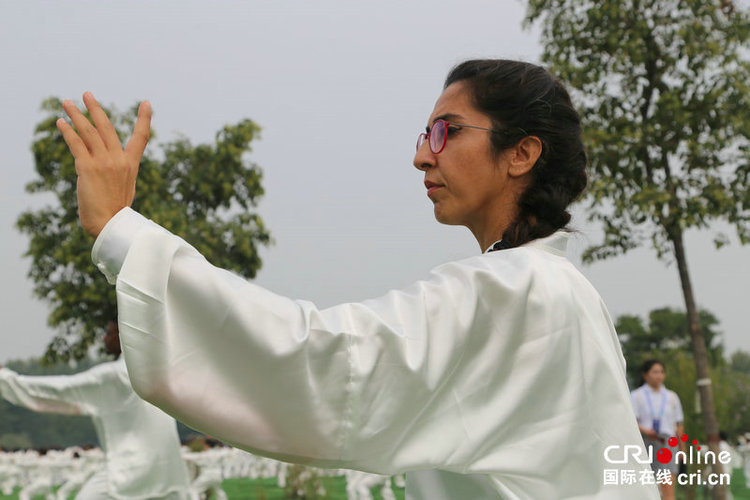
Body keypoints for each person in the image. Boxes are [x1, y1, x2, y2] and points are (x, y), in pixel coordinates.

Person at [56, 59, 659, 499]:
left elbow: (329, 366)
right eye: (425, 135)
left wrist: (120, 231)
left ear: (521, 154)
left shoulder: (522, 292)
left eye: (446, 131)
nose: (423, 155)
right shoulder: (558, 289)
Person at [0, 320, 192, 499]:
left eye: (109, 333)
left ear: (123, 335)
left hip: (129, 469)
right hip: (168, 471)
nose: (104, 338)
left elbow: (59, 390)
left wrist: (4, 378)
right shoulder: (158, 369)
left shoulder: (114, 376)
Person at [630, 359, 685, 500]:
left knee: (668, 484)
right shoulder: (636, 395)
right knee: (645, 484)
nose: (659, 375)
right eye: (655, 372)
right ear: (645, 375)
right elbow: (632, 420)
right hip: (645, 442)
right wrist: (645, 430)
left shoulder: (672, 397)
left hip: (667, 442)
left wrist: (682, 448)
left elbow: (679, 424)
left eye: (661, 372)